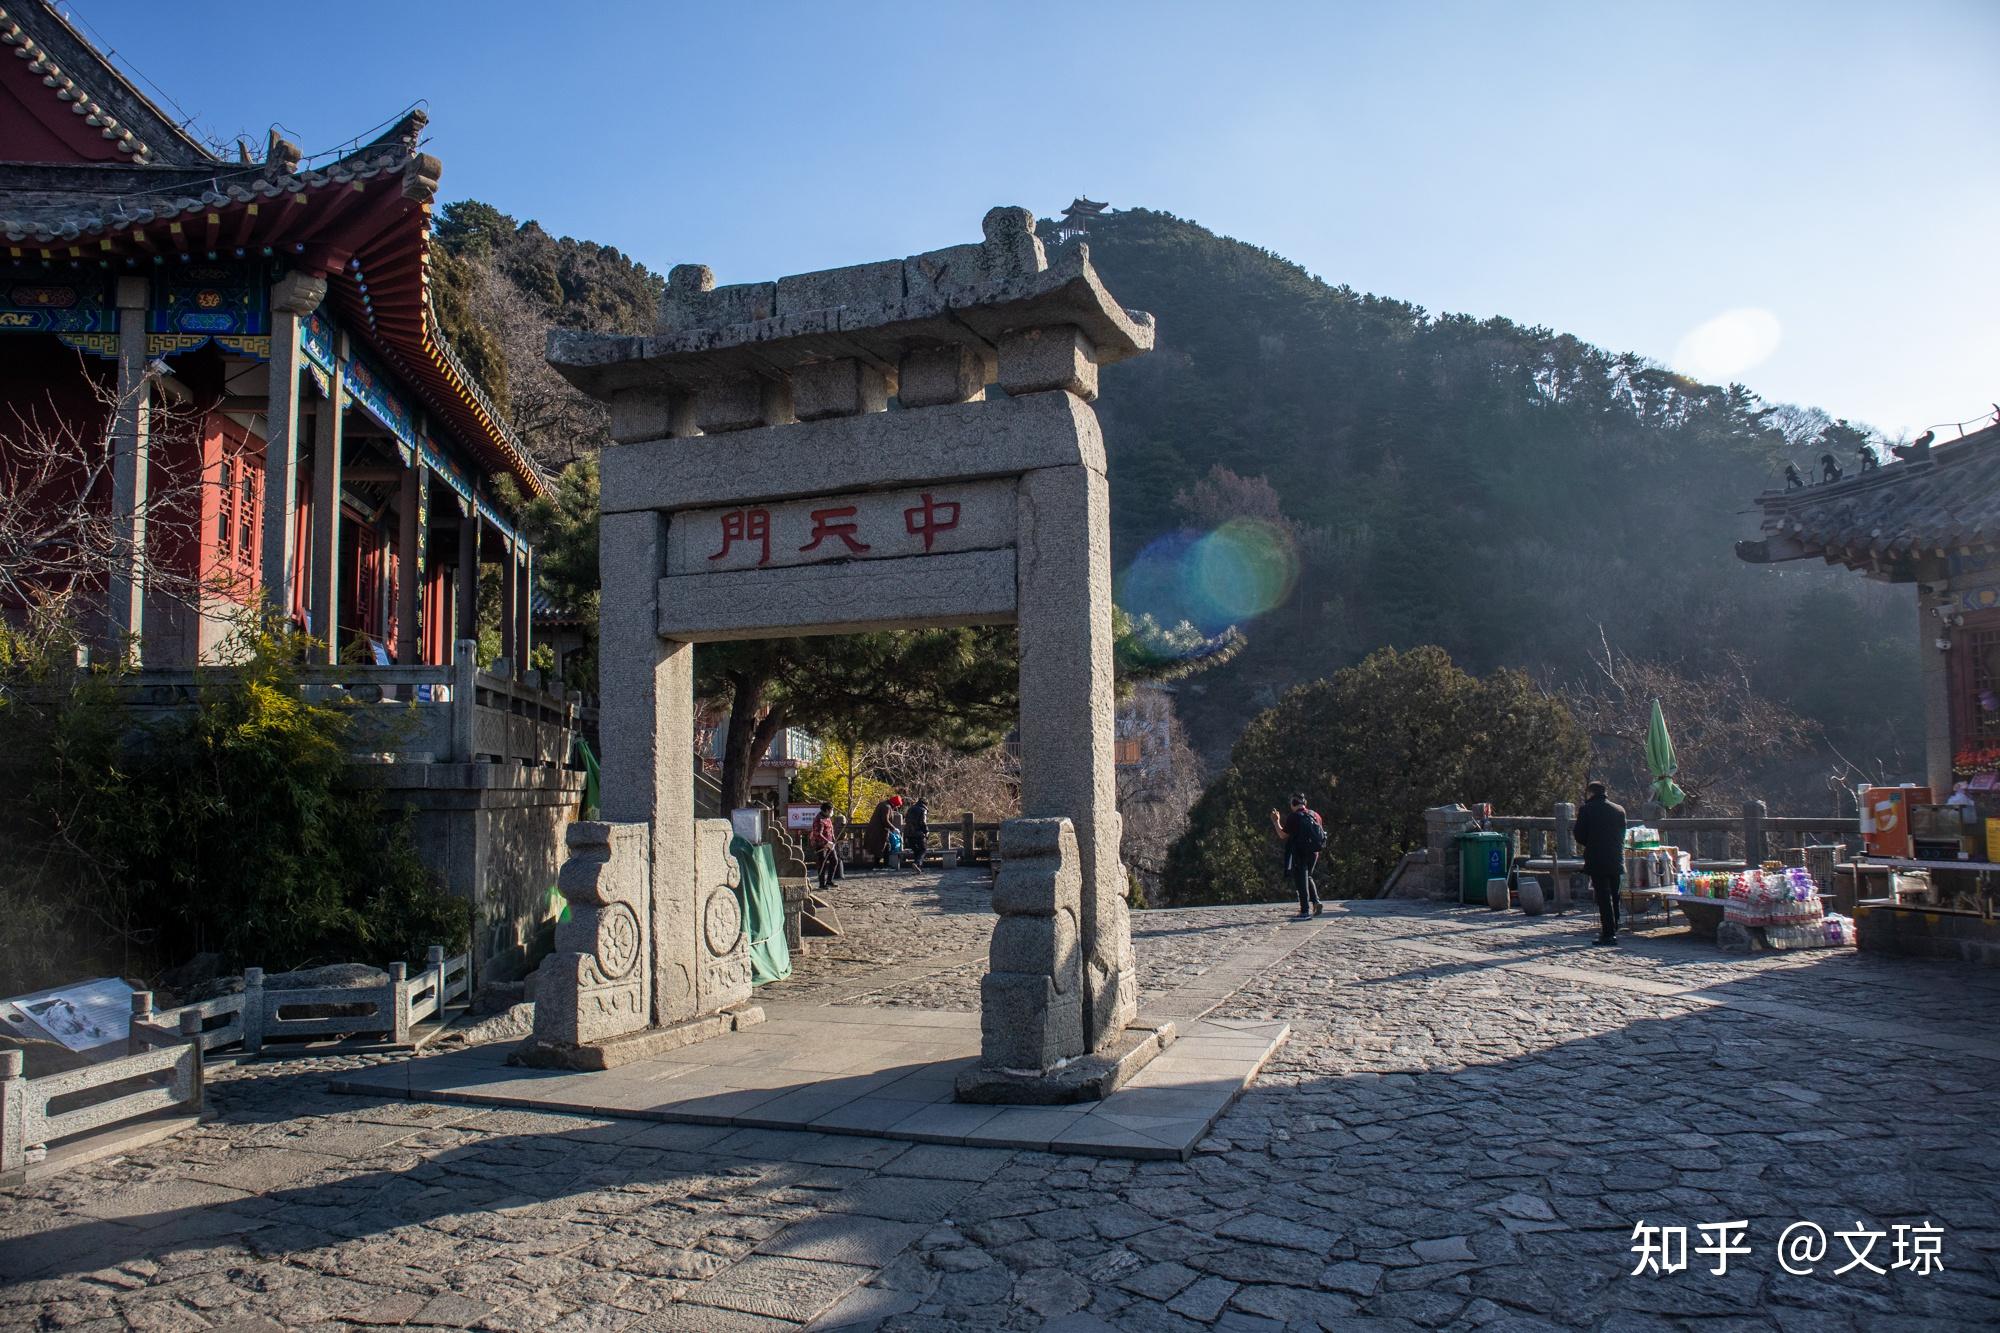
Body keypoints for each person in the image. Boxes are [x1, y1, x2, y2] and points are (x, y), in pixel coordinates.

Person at [1572, 780, 1628, 945]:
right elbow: (1623, 833)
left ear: (1590, 793)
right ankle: (1615, 925)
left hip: (1597, 858)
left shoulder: (1587, 810)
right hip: (1617, 857)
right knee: (1615, 895)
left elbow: (1579, 835)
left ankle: (1608, 933)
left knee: (1603, 897)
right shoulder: (1619, 810)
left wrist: (1592, 841)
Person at [1267, 792, 1326, 919]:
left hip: (1299, 852)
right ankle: (1316, 902)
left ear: (1294, 803)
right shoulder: (1315, 815)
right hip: (1314, 852)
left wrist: (1276, 821)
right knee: (1308, 876)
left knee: (1301, 880)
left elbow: (1283, 835)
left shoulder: (1294, 817)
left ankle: (1304, 911)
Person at [809, 802, 840, 892]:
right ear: (826, 810)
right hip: (821, 845)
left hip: (830, 844)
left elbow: (831, 829)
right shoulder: (819, 820)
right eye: (831, 810)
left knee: (834, 861)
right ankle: (822, 884)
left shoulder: (828, 818)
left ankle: (829, 881)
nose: (832, 811)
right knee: (822, 864)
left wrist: (833, 839)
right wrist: (827, 842)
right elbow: (817, 834)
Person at [863, 797, 893, 869]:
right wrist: (893, 828)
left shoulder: (882, 804)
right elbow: (885, 820)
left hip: (875, 830)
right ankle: (884, 865)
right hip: (880, 831)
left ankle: (877, 864)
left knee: (880, 847)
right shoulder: (887, 807)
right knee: (884, 847)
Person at [906, 795, 930, 870]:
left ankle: (918, 867)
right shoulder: (923, 810)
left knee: (916, 851)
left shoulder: (910, 809)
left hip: (909, 833)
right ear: (925, 803)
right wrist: (926, 831)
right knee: (923, 849)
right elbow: (923, 822)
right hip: (919, 834)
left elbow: (906, 820)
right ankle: (917, 863)